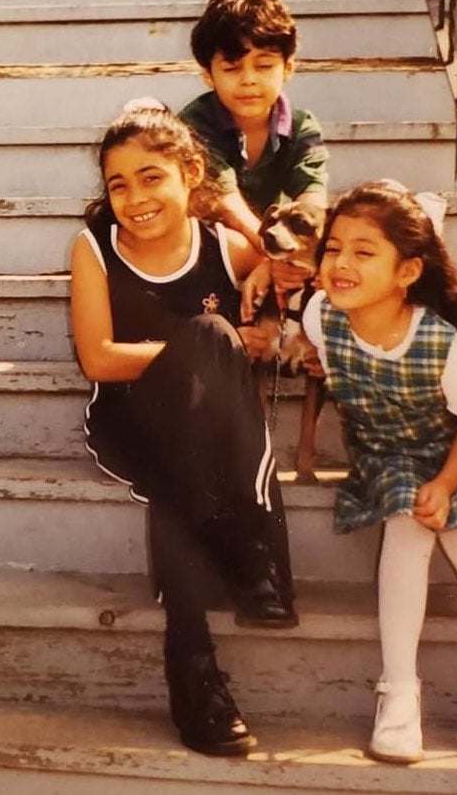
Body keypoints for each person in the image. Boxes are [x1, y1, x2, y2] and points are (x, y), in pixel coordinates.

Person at [70, 101, 297, 759]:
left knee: (182, 471)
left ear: (189, 172)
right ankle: (258, 557)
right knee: (207, 334)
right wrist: (204, 347)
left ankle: (191, 667)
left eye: (151, 177)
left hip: (208, 443)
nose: (135, 197)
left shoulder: (223, 245)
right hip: (128, 422)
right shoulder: (95, 249)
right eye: (119, 184)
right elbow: (100, 358)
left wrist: (265, 305)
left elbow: (289, 284)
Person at [300, 182, 457, 765]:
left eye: (364, 251)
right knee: (407, 519)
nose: (341, 263)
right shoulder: (318, 316)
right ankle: (399, 693)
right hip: (384, 456)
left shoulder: (439, 339)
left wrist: (448, 484)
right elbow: (316, 360)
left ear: (407, 272)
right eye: (333, 248)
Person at [178, 0, 328, 257]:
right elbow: (226, 204)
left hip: (269, 243)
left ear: (288, 68)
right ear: (208, 76)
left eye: (264, 66)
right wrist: (269, 255)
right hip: (203, 249)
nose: (249, 80)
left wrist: (300, 256)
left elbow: (312, 202)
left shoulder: (301, 127)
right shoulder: (194, 124)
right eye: (232, 68)